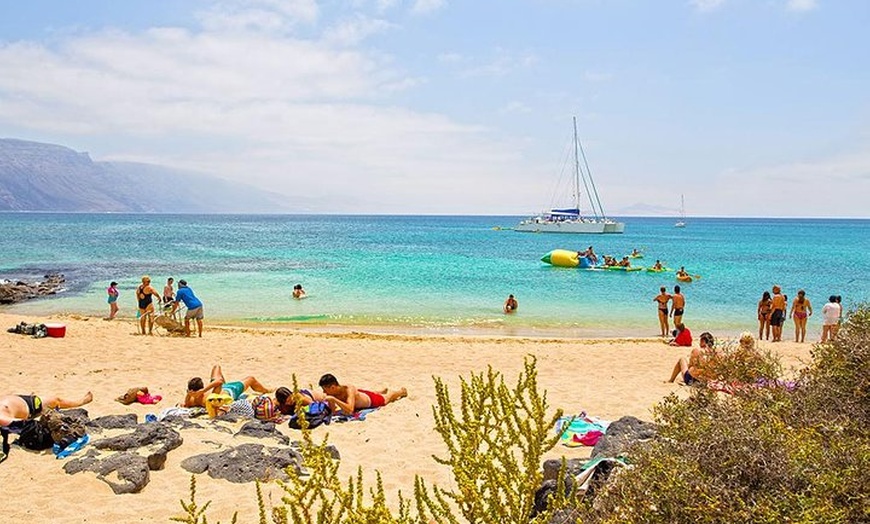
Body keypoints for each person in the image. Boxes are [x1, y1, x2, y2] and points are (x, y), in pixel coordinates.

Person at [183, 365, 270, 408]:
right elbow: (219, 382)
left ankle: (265, 390)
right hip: (230, 391)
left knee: (216, 367)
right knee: (251, 379)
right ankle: (266, 390)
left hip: (220, 387)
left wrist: (189, 394)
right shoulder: (208, 398)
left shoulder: (191, 399)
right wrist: (203, 391)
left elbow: (186, 404)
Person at [318, 373, 407, 413]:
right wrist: (331, 402)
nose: (324, 392)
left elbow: (350, 410)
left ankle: (401, 392)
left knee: (388, 398)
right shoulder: (331, 393)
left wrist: (334, 400)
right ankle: (380, 391)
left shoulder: (349, 389)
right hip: (361, 394)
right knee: (363, 393)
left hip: (371, 401)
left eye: (325, 389)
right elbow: (333, 411)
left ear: (333, 387)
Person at [0, 392, 93, 428]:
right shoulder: (2, 418)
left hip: (16, 400)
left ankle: (80, 401)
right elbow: (22, 423)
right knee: (56, 400)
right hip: (30, 406)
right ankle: (80, 402)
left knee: (55, 400)